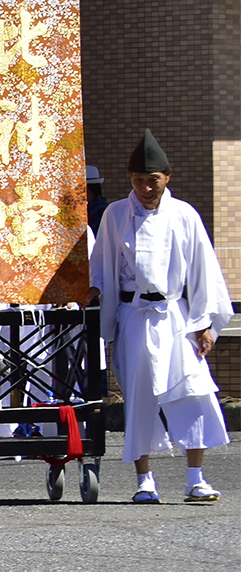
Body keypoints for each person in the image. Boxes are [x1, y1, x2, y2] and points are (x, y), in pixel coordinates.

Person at [91, 129, 231, 504]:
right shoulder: (115, 214)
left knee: (193, 390)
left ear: (167, 177)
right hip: (134, 313)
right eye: (138, 181)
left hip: (175, 314)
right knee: (138, 394)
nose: (145, 188)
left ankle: (195, 478)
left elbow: (202, 268)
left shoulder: (184, 214)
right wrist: (102, 319)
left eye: (152, 181)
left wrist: (204, 322)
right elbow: (102, 267)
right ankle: (145, 480)